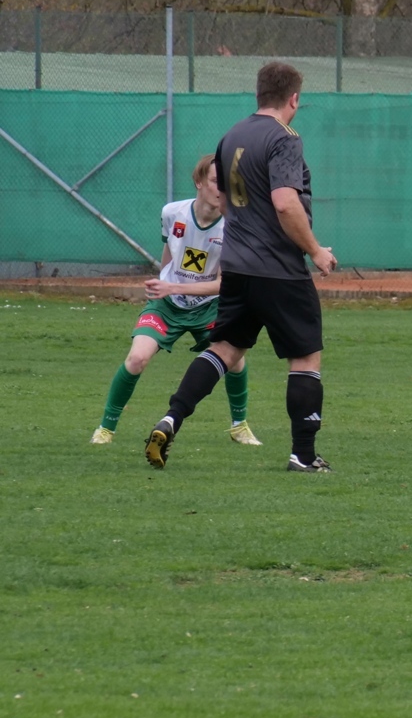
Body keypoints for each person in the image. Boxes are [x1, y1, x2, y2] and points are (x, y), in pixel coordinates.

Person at [145, 61, 337, 472]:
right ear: (294, 99)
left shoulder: (231, 136)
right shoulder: (284, 138)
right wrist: (315, 251)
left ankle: (171, 418)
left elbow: (231, 204)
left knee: (225, 349)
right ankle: (303, 456)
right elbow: (284, 203)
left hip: (236, 267)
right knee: (305, 358)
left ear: (258, 94)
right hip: (279, 269)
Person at [91, 154, 261, 447]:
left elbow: (223, 284)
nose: (222, 188)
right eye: (215, 181)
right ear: (198, 182)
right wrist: (164, 284)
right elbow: (170, 250)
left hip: (209, 306)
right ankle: (106, 428)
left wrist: (172, 286)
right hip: (167, 305)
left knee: (234, 360)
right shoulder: (172, 213)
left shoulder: (233, 227)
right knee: (137, 358)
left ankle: (239, 426)